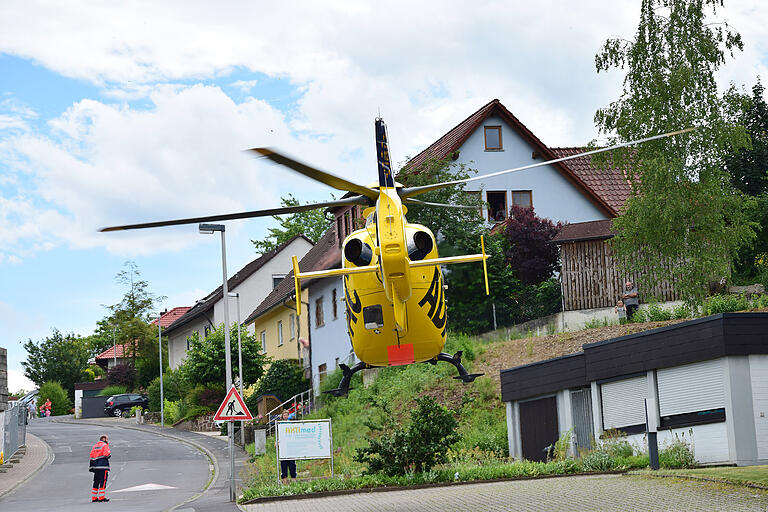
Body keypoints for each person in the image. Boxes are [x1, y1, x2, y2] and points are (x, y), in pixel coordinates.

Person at [89, 434, 111, 502]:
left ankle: (94, 498)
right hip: (103, 466)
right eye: (107, 439)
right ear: (104, 439)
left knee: (96, 481)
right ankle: (101, 497)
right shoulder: (105, 445)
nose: (108, 441)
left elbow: (91, 455)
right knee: (103, 481)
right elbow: (106, 454)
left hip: (95, 467)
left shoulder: (95, 446)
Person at [278, 410, 296, 483]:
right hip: (283, 445)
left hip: (290, 445)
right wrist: (277, 441)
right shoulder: (279, 424)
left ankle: (293, 478)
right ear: (282, 416)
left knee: (292, 462)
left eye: (286, 415)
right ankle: (284, 479)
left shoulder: (290, 423)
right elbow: (278, 434)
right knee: (283, 462)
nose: (285, 416)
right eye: (284, 415)